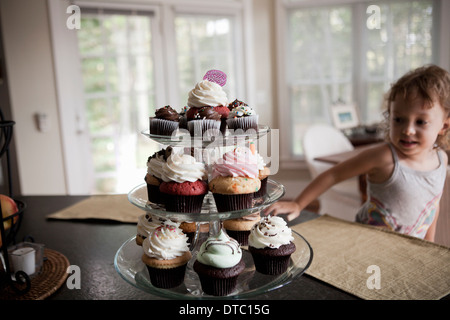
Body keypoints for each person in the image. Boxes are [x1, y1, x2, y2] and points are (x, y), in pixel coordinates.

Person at [265, 64, 450, 242]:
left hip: (407, 249)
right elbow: (333, 174)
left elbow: (433, 205)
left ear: (444, 126)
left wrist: (429, 242)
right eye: (399, 119)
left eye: (421, 122)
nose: (407, 130)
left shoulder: (441, 159)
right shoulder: (383, 156)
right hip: (368, 243)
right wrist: (298, 204)